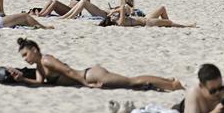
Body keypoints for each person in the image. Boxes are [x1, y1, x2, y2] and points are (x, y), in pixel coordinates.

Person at [11, 38, 184, 90]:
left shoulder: (46, 60)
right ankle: (168, 81)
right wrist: (22, 79)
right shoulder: (40, 66)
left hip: (90, 75)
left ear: (34, 49)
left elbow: (69, 72)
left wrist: (87, 85)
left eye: (26, 54)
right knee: (132, 83)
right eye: (23, 57)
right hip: (88, 76)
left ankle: (171, 83)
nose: (25, 59)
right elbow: (40, 82)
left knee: (132, 82)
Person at [102, 0, 195, 28]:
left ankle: (167, 24)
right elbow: (122, 8)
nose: (113, 17)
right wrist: (113, 11)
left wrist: (112, 11)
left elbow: (123, 9)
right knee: (169, 22)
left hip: (146, 19)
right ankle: (186, 26)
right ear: (111, 22)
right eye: (112, 18)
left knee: (162, 8)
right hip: (148, 22)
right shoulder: (120, 22)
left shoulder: (119, 19)